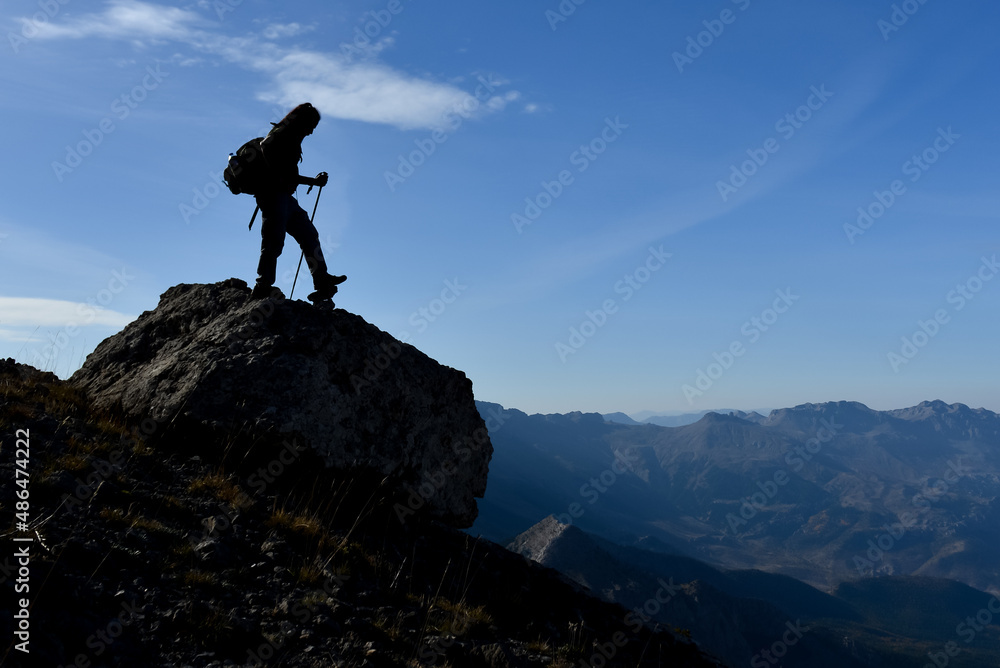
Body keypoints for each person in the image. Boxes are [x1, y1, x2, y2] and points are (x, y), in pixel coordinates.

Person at [250, 102, 345, 301]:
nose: (311, 132)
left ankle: (322, 282)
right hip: (272, 195)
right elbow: (265, 146)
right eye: (311, 126)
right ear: (302, 121)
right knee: (274, 240)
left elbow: (289, 176)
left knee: (309, 234)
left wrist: (314, 182)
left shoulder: (292, 137)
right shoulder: (282, 133)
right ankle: (262, 286)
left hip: (284, 196)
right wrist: (277, 176)